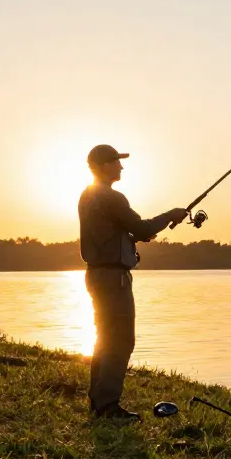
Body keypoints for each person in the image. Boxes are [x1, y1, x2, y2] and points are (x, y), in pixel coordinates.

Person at [79, 144, 189, 420]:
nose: (121, 166)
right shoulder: (110, 197)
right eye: (116, 161)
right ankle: (108, 407)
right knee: (120, 340)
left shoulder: (88, 196)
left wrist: (135, 236)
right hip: (113, 278)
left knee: (105, 338)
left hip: (98, 275)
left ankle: (99, 402)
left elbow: (124, 231)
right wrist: (171, 215)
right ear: (102, 166)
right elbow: (142, 228)